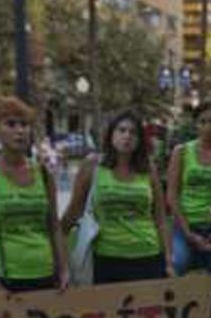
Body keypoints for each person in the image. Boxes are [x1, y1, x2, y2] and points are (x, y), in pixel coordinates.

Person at [62, 110, 174, 284]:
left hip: (148, 255)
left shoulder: (148, 168)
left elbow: (160, 218)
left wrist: (167, 260)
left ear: (139, 140)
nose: (127, 136)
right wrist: (57, 251)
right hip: (106, 258)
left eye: (133, 132)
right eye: (121, 130)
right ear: (111, 134)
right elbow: (73, 212)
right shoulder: (92, 165)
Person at [0, 97, 69, 303]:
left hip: (46, 276)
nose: (19, 130)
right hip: (6, 280)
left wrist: (63, 269)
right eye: (10, 124)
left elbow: (54, 225)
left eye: (24, 124)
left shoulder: (43, 173)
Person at [166, 102, 211, 275]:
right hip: (185, 226)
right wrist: (188, 232)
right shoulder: (181, 152)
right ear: (196, 125)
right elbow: (172, 194)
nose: (208, 127)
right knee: (177, 263)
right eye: (202, 122)